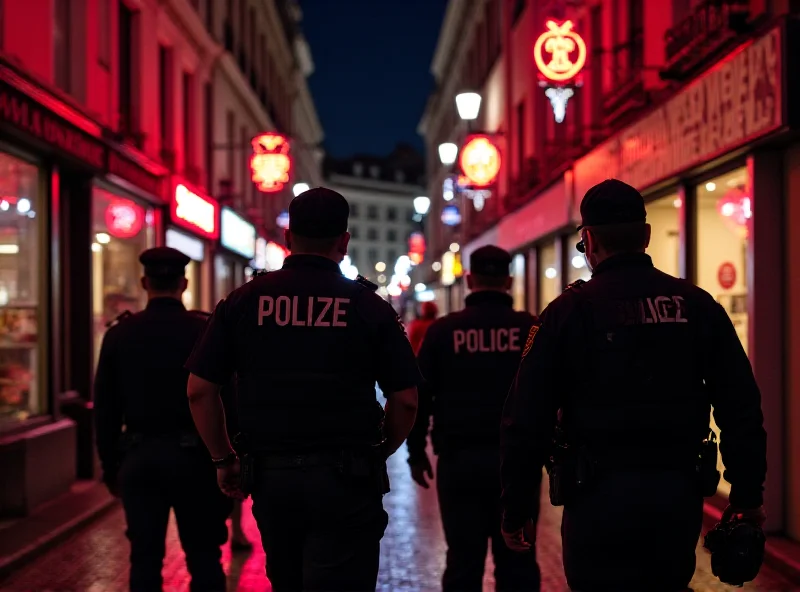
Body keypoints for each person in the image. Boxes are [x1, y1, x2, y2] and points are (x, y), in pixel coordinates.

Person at [499, 179, 768, 592]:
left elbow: (525, 418)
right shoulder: (695, 305)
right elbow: (740, 406)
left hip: (595, 500)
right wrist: (747, 495)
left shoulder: (567, 313)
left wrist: (516, 506)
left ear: (588, 241)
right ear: (645, 235)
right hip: (675, 496)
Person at [184, 187, 421, 592]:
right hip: (347, 478)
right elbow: (406, 398)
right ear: (343, 242)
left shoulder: (244, 301)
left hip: (273, 479)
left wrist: (224, 459)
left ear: (289, 237)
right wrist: (382, 449)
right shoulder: (367, 305)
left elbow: (199, 391)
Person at [94, 247, 233, 592]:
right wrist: (229, 458)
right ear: (184, 283)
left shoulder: (119, 334)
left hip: (140, 458)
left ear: (144, 282)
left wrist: (110, 466)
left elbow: (105, 410)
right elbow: (228, 399)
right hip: (197, 462)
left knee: (144, 558)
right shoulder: (204, 330)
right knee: (204, 558)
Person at [408, 245, 541, 592]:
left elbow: (421, 395)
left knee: (463, 561)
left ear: (469, 280)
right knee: (519, 560)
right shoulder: (529, 329)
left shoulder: (443, 331)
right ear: (509, 281)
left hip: (458, 461)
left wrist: (417, 451)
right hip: (517, 466)